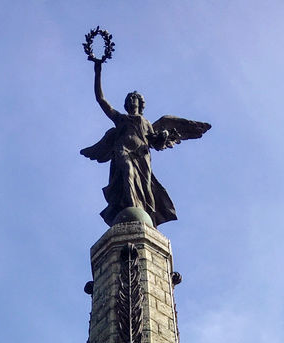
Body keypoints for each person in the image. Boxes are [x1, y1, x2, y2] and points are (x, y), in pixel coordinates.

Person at [80, 59, 210, 227]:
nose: (132, 100)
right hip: (123, 150)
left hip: (142, 154)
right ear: (126, 103)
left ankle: (142, 211)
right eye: (130, 98)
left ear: (140, 103)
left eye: (135, 98)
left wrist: (163, 135)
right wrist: (98, 72)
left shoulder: (147, 123)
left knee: (145, 187)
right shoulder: (121, 119)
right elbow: (101, 100)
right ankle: (132, 209)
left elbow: (155, 142)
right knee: (127, 172)